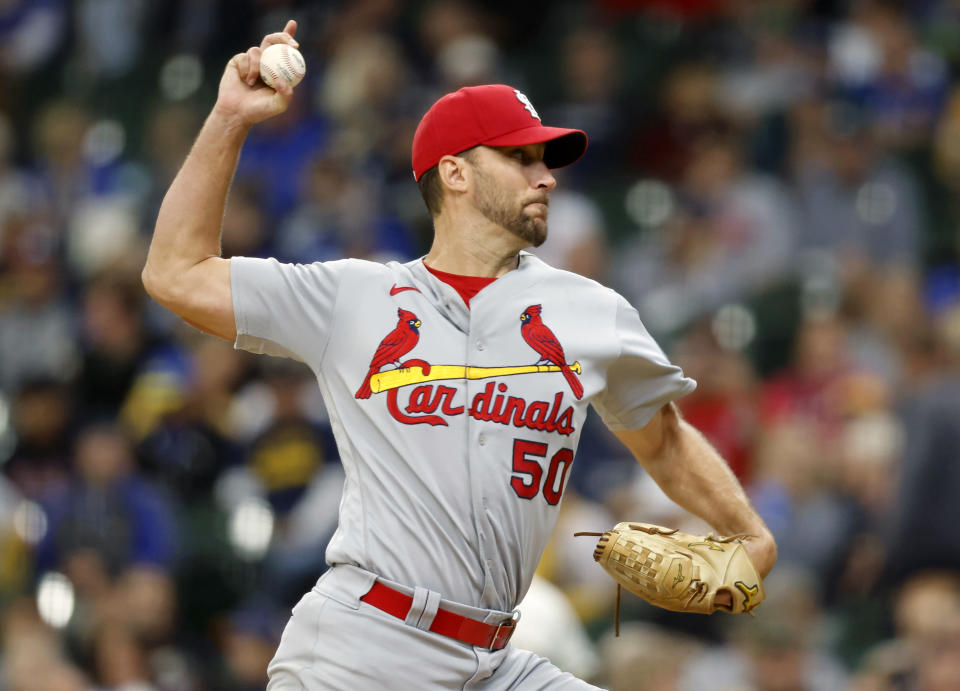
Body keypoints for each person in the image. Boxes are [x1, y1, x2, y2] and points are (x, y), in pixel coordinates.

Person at [142, 20, 777, 690]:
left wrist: (749, 533)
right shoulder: (354, 296)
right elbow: (175, 273)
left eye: (546, 161)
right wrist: (229, 117)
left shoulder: (593, 313)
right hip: (363, 646)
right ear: (455, 173)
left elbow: (665, 441)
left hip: (497, 657)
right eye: (521, 159)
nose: (546, 178)